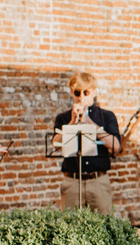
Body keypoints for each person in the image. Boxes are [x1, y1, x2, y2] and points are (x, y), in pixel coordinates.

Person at [51, 71, 121, 215]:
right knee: (70, 226)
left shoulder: (106, 116)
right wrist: (72, 122)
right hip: (72, 181)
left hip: (98, 181)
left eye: (86, 92)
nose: (81, 97)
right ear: (72, 92)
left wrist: (91, 125)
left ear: (94, 92)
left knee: (103, 224)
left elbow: (116, 146)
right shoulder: (63, 118)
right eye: (77, 93)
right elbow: (55, 145)